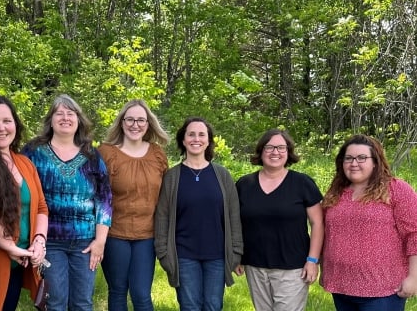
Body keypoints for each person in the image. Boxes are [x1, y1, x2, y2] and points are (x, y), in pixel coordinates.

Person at [22, 94, 112, 310]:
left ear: (78, 120)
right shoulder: (33, 153)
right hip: (49, 241)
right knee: (55, 302)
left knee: (82, 303)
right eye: (59, 113)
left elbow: (105, 200)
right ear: (50, 120)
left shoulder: (91, 155)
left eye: (70, 113)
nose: (65, 118)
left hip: (85, 243)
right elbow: (22, 193)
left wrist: (100, 241)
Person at [154, 116, 243, 311]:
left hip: (217, 256)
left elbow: (233, 216)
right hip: (184, 255)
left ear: (209, 140)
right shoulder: (172, 177)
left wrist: (236, 251)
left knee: (213, 306)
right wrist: (163, 252)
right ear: (183, 140)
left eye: (202, 134)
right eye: (191, 134)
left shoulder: (222, 175)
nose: (196, 139)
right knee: (190, 306)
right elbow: (162, 217)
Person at [320, 134, 417, 311]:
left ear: (375, 162)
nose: (354, 163)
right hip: (341, 286)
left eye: (362, 158)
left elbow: (414, 233)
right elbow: (325, 233)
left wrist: (414, 277)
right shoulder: (336, 193)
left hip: (382, 290)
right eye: (348, 158)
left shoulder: (396, 189)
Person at [0, 94, 49, 311]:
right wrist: (9, 246)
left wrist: (39, 241)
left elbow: (41, 207)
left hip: (19, 263)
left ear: (15, 123)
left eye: (6, 121)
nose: (1, 128)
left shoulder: (24, 163)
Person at [235, 129, 324, 311]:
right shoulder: (244, 185)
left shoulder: (302, 183)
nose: (275, 152)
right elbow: (235, 224)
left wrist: (312, 260)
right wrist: (236, 257)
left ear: (288, 152)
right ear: (261, 151)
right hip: (255, 265)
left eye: (281, 147)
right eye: (269, 147)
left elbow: (318, 224)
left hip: (292, 267)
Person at [98, 99, 169, 311]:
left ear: (148, 124)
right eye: (130, 119)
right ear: (121, 122)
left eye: (140, 120)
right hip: (114, 234)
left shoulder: (157, 154)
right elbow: (99, 196)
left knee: (141, 294)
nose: (135, 125)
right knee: (118, 291)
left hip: (147, 235)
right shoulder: (106, 153)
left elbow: (166, 195)